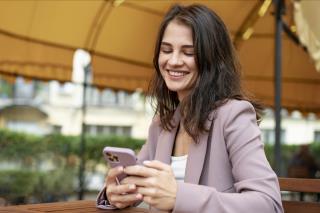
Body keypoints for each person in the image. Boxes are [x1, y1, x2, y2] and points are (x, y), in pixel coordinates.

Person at [97, 4, 283, 213]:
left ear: (211, 59)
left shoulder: (234, 115)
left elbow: (269, 204)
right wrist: (116, 194)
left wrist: (179, 196)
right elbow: (137, 185)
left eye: (188, 52)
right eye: (166, 50)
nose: (173, 61)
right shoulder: (162, 124)